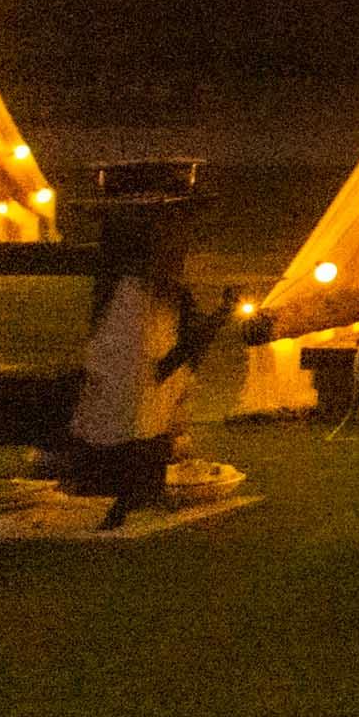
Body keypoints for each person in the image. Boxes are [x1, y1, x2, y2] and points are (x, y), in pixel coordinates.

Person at [60, 196, 233, 528]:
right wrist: (217, 320)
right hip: (125, 439)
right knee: (131, 412)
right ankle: (123, 494)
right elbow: (162, 367)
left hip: (114, 433)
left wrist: (214, 321)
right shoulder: (138, 298)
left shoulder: (123, 291)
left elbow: (174, 361)